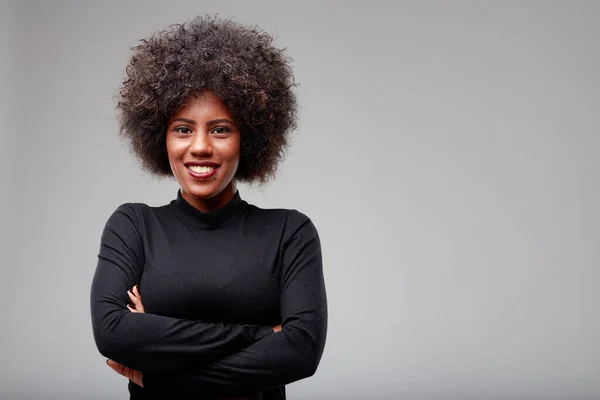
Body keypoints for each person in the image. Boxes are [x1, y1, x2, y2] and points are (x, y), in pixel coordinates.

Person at [89, 16, 328, 400]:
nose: (200, 147)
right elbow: (113, 332)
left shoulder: (290, 233)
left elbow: (300, 351)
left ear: (247, 138)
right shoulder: (133, 226)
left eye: (220, 129)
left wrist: (160, 375)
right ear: (160, 136)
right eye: (183, 129)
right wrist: (264, 335)